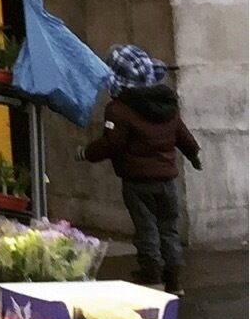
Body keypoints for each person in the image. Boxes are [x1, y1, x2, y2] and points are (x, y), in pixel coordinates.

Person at [83, 43, 202, 292]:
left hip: (138, 182)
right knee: (168, 229)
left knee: (147, 229)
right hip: (167, 180)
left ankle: (151, 273)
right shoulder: (166, 105)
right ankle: (174, 279)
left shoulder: (118, 110)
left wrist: (86, 153)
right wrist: (194, 154)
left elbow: (112, 143)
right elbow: (182, 134)